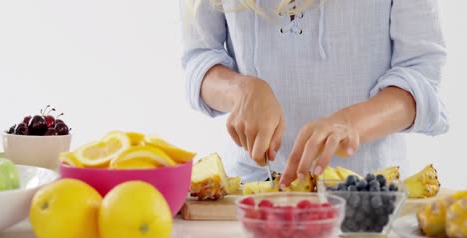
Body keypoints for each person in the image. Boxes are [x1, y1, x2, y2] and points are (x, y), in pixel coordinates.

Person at [180, 0, 448, 187]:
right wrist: (240, 90)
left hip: (367, 194)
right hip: (251, 188)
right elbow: (199, 58)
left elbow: (420, 76)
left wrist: (351, 122)